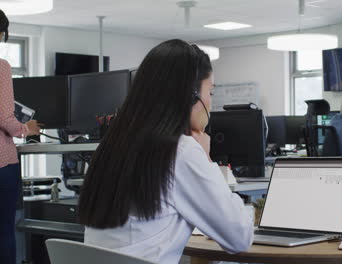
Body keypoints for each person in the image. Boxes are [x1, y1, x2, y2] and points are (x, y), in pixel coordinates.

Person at [78, 39, 254, 264]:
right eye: (210, 93)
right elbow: (239, 238)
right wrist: (207, 159)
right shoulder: (182, 151)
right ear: (191, 96)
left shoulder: (114, 145)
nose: (210, 104)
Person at [0, 9, 42, 264]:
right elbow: (5, 119)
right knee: (4, 232)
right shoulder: (1, 67)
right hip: (1, 164)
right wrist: (28, 128)